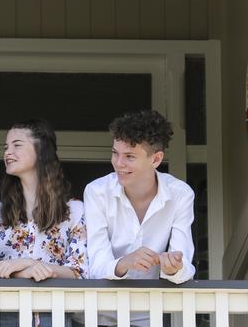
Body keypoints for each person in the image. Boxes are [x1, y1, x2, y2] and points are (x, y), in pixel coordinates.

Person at [83, 110, 195, 326]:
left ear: (156, 159)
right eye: (115, 153)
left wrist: (174, 268)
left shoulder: (181, 194)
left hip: (150, 316)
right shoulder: (96, 191)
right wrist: (124, 262)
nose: (118, 163)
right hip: (95, 315)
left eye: (129, 157)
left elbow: (185, 265)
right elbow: (95, 264)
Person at [0, 119, 87, 327]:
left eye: (17, 145)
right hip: (3, 313)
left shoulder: (74, 210)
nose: (8, 152)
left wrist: (33, 265)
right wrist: (25, 271)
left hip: (56, 314)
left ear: (41, 152)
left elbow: (80, 273)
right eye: (6, 147)